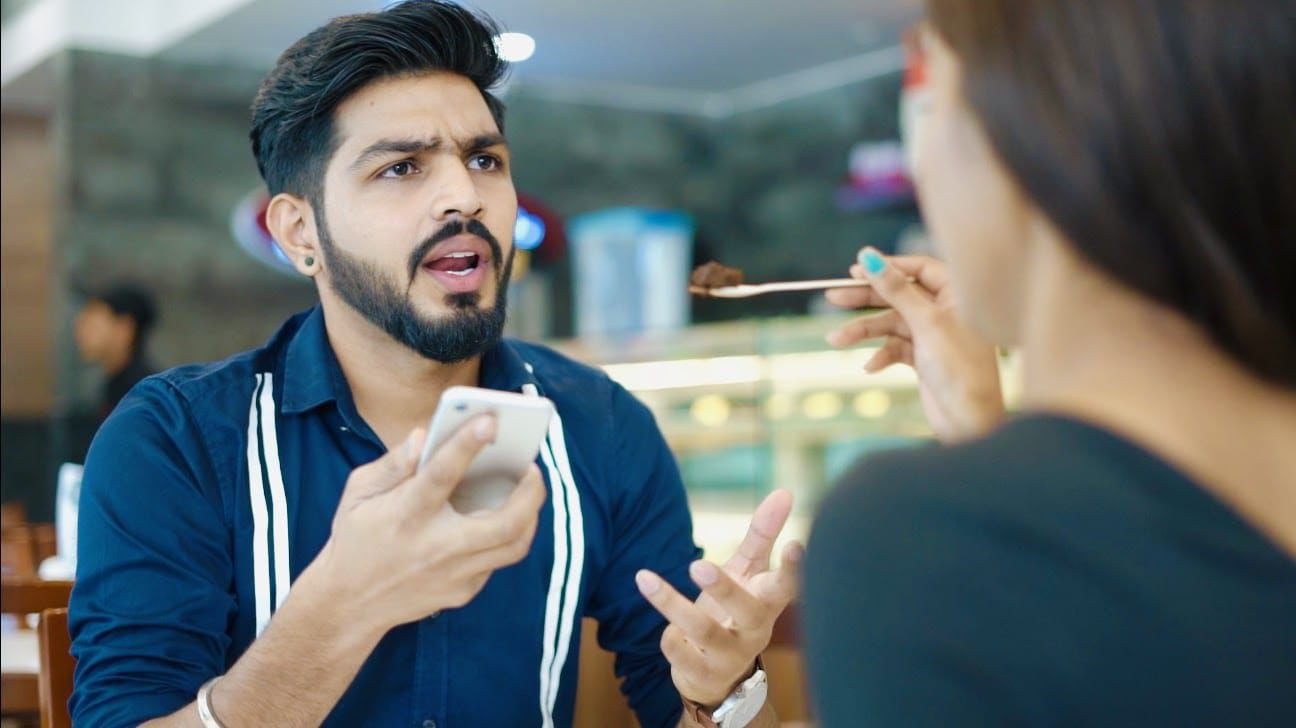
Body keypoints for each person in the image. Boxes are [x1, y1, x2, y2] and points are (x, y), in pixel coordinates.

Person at [68, 3, 798, 727]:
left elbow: (688, 702)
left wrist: (725, 692)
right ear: (300, 233)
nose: (464, 197)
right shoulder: (175, 440)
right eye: (401, 167)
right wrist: (343, 607)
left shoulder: (600, 425)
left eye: (485, 160)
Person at [804, 0, 1296, 725]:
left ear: (1028, 138)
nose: (920, 162)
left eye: (933, 101)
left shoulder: (912, 533)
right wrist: (983, 429)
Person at [72, 283, 158, 423]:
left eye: (92, 325)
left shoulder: (139, 394)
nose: (80, 333)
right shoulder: (115, 385)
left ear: (124, 329)